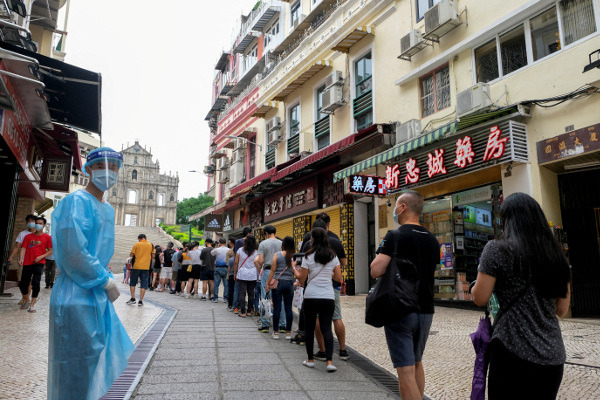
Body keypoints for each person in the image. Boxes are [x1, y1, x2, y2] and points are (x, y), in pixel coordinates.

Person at [48, 147, 134, 400]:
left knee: (93, 359)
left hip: (95, 293)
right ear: (87, 169)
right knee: (71, 363)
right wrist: (105, 280)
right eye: (100, 167)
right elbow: (74, 250)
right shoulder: (75, 202)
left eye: (114, 168)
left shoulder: (106, 208)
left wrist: (102, 279)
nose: (108, 172)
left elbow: (97, 250)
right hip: (75, 292)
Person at [472, 193, 571, 400]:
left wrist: (475, 286)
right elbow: (562, 310)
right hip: (552, 356)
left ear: (507, 220)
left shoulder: (496, 249)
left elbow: (480, 298)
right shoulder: (556, 254)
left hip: (510, 351)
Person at [370, 190, 439, 400]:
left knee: (404, 370)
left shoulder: (395, 235)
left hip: (400, 308)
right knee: (417, 362)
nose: (394, 210)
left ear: (403, 207)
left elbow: (376, 269)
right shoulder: (432, 240)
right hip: (426, 309)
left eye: (396, 206)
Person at [300, 218, 350, 361]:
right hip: (331, 289)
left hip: (313, 291)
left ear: (313, 235)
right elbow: (343, 264)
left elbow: (303, 271)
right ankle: (342, 350)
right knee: (336, 318)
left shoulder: (308, 248)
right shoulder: (336, 243)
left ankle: (322, 350)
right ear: (327, 227)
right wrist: (331, 271)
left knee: (316, 320)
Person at [295, 227, 342, 372]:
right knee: (326, 328)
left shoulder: (308, 256)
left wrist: (294, 270)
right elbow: (338, 278)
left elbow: (302, 279)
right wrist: (328, 274)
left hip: (311, 296)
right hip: (328, 296)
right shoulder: (333, 256)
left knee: (309, 328)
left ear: (312, 239)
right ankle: (329, 362)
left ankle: (310, 360)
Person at [18, 216, 53, 312]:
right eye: (37, 223)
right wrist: (21, 258)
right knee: (23, 284)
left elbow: (51, 251)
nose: (38, 225)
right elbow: (23, 248)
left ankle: (32, 304)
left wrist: (42, 256)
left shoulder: (47, 237)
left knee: (36, 283)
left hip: (39, 263)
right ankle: (27, 298)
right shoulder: (28, 236)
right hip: (27, 262)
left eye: (40, 223)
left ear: (44, 225)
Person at [255, 225, 284, 333]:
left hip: (268, 271)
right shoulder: (281, 243)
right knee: (280, 298)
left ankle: (265, 325)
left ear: (266, 233)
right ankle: (282, 325)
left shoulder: (263, 243)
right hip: (280, 273)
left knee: (265, 297)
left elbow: (261, 261)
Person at [266, 236, 296, 340]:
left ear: (283, 245)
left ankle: (276, 332)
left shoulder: (277, 255)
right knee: (288, 308)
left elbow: (272, 271)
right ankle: (288, 333)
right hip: (289, 284)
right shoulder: (294, 257)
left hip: (278, 284)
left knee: (277, 308)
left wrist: (267, 284)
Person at [8, 214, 37, 304]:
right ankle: (24, 297)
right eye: (28, 221)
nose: (30, 223)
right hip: (23, 261)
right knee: (23, 281)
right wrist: (11, 257)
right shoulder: (23, 234)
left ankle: (26, 299)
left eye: (32, 221)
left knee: (29, 282)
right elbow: (17, 246)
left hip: (35, 261)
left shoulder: (38, 234)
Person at [234, 235, 258, 317]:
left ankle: (243, 312)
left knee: (242, 293)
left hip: (242, 274)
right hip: (253, 274)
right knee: (251, 293)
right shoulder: (256, 251)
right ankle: (249, 311)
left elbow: (236, 262)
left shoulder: (240, 250)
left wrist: (235, 273)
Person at [128, 233, 155, 306]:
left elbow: (131, 255)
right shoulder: (151, 245)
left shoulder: (137, 244)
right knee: (144, 283)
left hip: (136, 266)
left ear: (139, 238)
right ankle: (140, 301)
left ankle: (133, 298)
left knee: (133, 282)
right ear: (145, 238)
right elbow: (153, 256)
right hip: (146, 267)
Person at [212, 238, 229, 302]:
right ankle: (225, 298)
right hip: (226, 268)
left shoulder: (216, 250)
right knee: (226, 284)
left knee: (216, 284)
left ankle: (215, 298)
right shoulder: (228, 250)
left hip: (218, 268)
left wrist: (216, 247)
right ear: (225, 242)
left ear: (219, 243)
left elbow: (212, 253)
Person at [226, 239, 237, 311]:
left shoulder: (231, 259)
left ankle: (230, 304)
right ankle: (236, 305)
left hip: (231, 275)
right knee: (237, 291)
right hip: (238, 276)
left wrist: (229, 275)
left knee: (230, 290)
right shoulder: (239, 259)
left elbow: (229, 269)